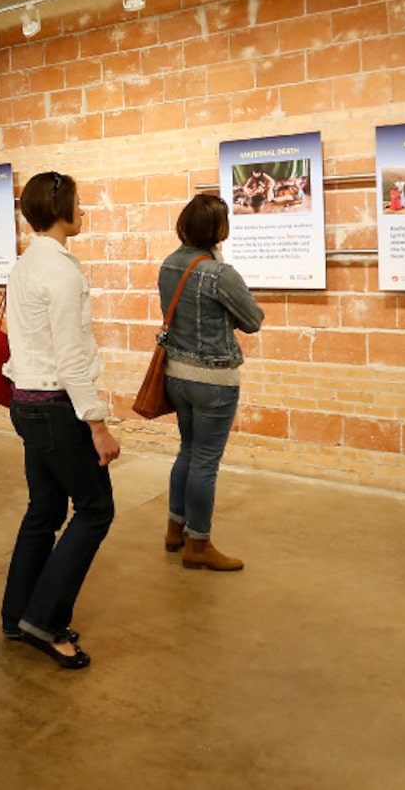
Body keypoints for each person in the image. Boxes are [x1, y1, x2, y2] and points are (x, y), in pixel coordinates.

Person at [0, 171, 118, 671]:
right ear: (60, 208)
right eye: (79, 202)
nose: (84, 210)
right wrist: (97, 423)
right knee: (95, 510)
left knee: (44, 509)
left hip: (25, 402)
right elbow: (70, 358)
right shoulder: (63, 271)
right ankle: (44, 621)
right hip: (55, 406)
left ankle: (16, 615)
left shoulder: (24, 264)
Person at [158, 195, 265, 571]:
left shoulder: (169, 264)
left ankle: (176, 529)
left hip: (176, 376)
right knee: (205, 462)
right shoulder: (222, 274)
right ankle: (198, 545)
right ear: (218, 230)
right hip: (214, 381)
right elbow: (253, 320)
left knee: (187, 452)